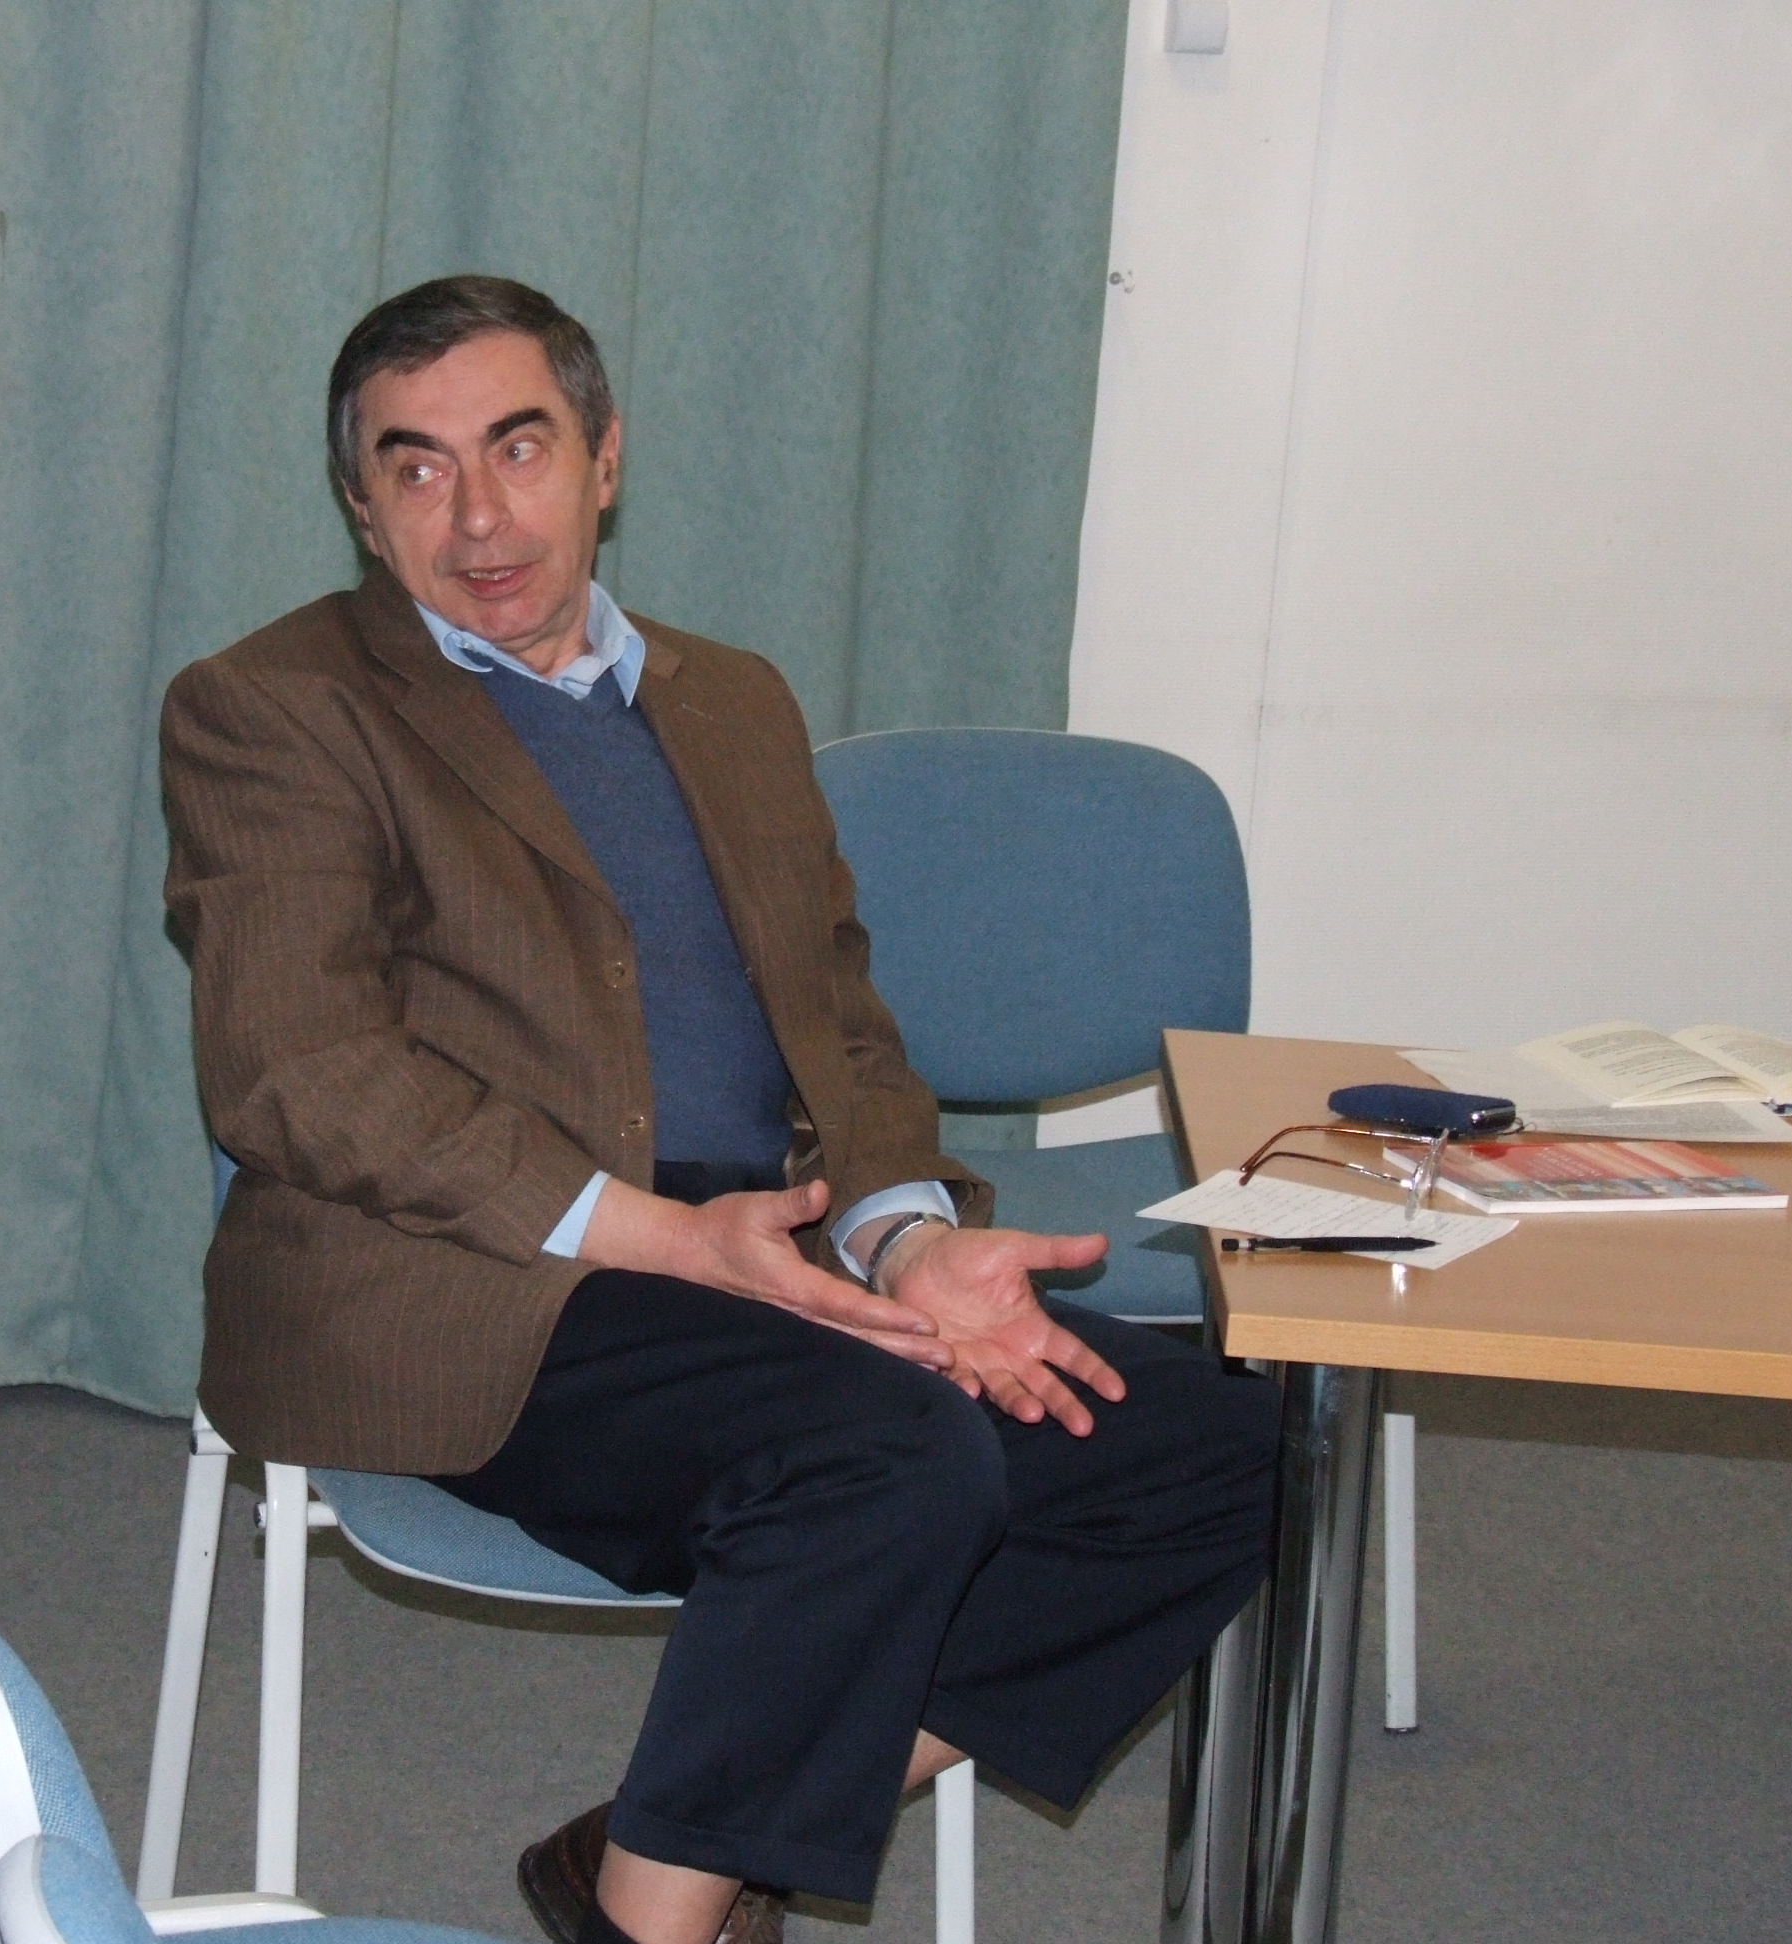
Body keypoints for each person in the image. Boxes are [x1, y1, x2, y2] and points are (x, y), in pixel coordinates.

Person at [160, 276, 1278, 1944]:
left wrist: (902, 1240)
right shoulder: (275, 708)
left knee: (1222, 1446)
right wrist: (664, 1238)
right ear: (360, 506)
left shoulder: (733, 699)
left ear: (603, 460)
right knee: (890, 1460)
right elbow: (296, 1071)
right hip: (478, 1281)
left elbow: (845, 1032)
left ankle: (661, 1851)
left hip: (765, 1258)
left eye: (519, 448)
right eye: (417, 467)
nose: (478, 516)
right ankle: (675, 1911)